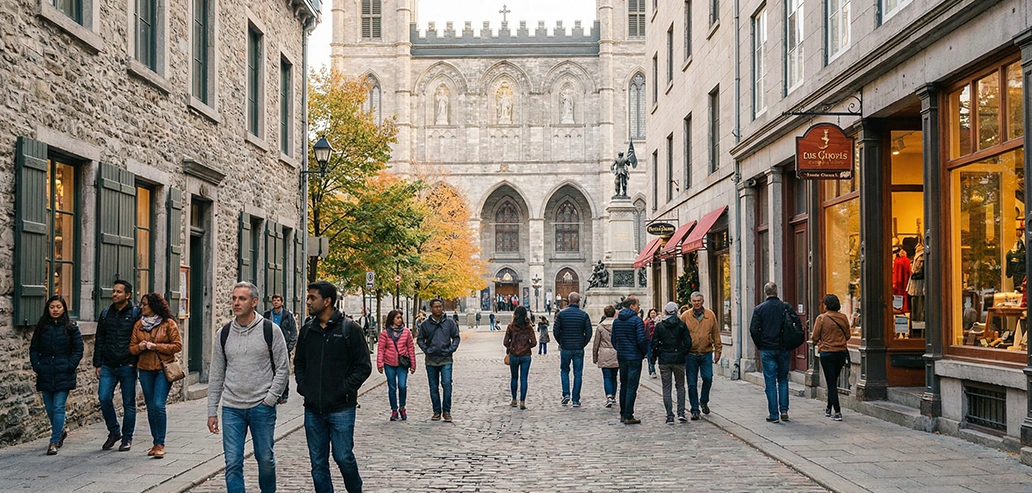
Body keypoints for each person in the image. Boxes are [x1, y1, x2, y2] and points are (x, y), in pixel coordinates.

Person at [207, 282, 289, 492]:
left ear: (254, 302)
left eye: (241, 299)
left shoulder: (271, 330)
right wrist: (212, 411)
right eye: (234, 298)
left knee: (265, 459)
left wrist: (270, 399)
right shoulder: (223, 333)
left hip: (261, 406)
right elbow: (216, 374)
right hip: (232, 408)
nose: (236, 303)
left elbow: (282, 368)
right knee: (233, 463)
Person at [296, 281, 372, 493]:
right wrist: (304, 387)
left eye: (313, 298)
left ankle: (355, 489)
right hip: (313, 408)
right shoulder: (307, 330)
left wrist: (344, 389)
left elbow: (363, 366)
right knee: (318, 464)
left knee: (343, 457)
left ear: (327, 301)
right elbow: (299, 364)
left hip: (341, 408)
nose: (308, 302)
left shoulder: (350, 329)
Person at [130, 292, 182, 459]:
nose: (141, 307)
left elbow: (177, 346)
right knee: (151, 406)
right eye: (141, 304)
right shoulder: (138, 325)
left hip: (162, 369)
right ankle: (155, 442)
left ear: (153, 306)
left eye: (144, 304)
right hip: (145, 369)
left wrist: (155, 346)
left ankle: (160, 443)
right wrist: (141, 347)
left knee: (159, 405)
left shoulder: (168, 324)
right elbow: (131, 348)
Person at [30, 295, 83, 455]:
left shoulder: (71, 328)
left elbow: (78, 349)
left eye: (58, 307)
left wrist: (70, 365)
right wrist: (37, 365)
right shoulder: (42, 327)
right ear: (48, 308)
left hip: (63, 371)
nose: (55, 310)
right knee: (49, 407)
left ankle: (54, 441)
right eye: (52, 307)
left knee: (58, 406)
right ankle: (60, 432)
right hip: (45, 370)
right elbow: (34, 349)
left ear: (64, 309)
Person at [93, 279, 141, 451]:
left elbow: (140, 338)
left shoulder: (136, 314)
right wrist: (98, 363)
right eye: (114, 291)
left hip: (127, 365)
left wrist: (133, 363)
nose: (114, 294)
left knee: (129, 403)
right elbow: (100, 339)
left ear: (127, 295)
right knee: (104, 397)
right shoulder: (106, 314)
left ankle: (127, 437)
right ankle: (114, 431)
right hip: (108, 364)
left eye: (119, 292)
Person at [749, 282, 802, 423]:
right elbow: (798, 324)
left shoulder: (759, 309)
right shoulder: (785, 307)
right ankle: (784, 410)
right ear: (777, 291)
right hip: (783, 348)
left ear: (765, 293)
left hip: (767, 349)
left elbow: (754, 329)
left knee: (770, 382)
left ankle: (774, 415)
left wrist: (760, 344)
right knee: (783, 379)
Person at [417, 299, 461, 422]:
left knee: (447, 384)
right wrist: (427, 350)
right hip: (431, 360)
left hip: (446, 359)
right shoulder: (425, 324)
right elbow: (420, 339)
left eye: (440, 306)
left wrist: (451, 349)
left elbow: (456, 337)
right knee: (433, 387)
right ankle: (436, 411)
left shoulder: (449, 322)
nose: (438, 309)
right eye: (435, 307)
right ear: (431, 308)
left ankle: (446, 411)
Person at [681, 291, 722, 420]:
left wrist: (718, 350)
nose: (697, 303)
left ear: (703, 302)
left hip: (706, 353)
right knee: (692, 383)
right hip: (691, 354)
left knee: (708, 378)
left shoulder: (710, 315)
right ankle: (694, 409)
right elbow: (679, 335)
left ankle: (703, 401)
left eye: (699, 301)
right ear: (691, 302)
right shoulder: (685, 316)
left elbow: (715, 333)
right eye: (694, 301)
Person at [811, 294, 850, 421]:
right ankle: (828, 408)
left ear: (826, 305)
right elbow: (848, 335)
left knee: (831, 382)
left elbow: (815, 337)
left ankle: (837, 411)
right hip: (840, 352)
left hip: (827, 353)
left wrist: (822, 341)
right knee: (833, 380)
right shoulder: (843, 317)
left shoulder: (821, 318)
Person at [652, 302, 692, 424]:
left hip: (664, 359)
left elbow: (654, 343)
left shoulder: (660, 326)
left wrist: (658, 354)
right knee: (680, 386)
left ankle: (669, 415)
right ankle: (681, 413)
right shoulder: (681, 325)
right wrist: (683, 352)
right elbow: (688, 342)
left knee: (666, 387)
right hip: (678, 359)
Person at [552, 292, 593, 407]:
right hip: (578, 348)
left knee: (564, 371)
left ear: (569, 300)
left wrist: (561, 342)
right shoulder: (583, 315)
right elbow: (589, 332)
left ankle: (566, 394)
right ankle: (576, 399)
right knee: (578, 373)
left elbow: (555, 331)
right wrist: (583, 343)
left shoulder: (561, 314)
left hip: (566, 348)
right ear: (579, 301)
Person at [612, 296, 646, 424]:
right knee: (632, 386)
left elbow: (613, 339)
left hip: (622, 356)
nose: (639, 307)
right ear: (631, 306)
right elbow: (641, 339)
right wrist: (643, 352)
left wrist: (620, 349)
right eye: (637, 304)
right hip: (634, 357)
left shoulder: (617, 321)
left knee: (624, 385)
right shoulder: (636, 321)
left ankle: (622, 413)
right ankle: (628, 414)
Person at [377, 309, 416, 421]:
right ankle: (394, 410)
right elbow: (381, 349)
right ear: (392, 319)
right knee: (392, 387)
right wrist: (380, 363)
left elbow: (411, 348)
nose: (400, 320)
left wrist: (413, 364)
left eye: (400, 318)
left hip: (402, 364)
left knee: (402, 386)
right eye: (397, 318)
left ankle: (402, 407)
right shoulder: (385, 333)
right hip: (389, 363)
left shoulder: (406, 332)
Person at [263, 294, 298, 404]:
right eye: (274, 300)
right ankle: (271, 393)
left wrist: (289, 347)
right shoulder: (267, 314)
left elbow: (294, 332)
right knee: (270, 370)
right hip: (270, 346)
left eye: (278, 300)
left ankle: (284, 394)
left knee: (283, 370)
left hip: (284, 346)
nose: (276, 302)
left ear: (282, 302)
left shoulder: (288, 315)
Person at [503, 306, 537, 409]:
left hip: (514, 355)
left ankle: (514, 400)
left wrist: (511, 347)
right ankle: (522, 401)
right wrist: (527, 347)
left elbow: (505, 342)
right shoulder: (528, 328)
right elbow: (534, 342)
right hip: (526, 356)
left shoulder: (511, 327)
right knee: (524, 378)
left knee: (514, 377)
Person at [592, 305, 619, 408]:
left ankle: (609, 396)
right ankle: (614, 396)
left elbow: (596, 343)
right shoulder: (617, 325)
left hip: (604, 353)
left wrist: (595, 356)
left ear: (604, 314)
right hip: (616, 352)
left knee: (607, 376)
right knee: (614, 376)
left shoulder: (600, 327)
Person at [644, 308, 658, 379]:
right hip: (649, 341)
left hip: (657, 341)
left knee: (655, 356)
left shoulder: (659, 322)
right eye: (651, 313)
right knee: (650, 355)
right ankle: (652, 370)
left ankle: (652, 368)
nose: (653, 314)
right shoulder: (647, 322)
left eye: (654, 313)